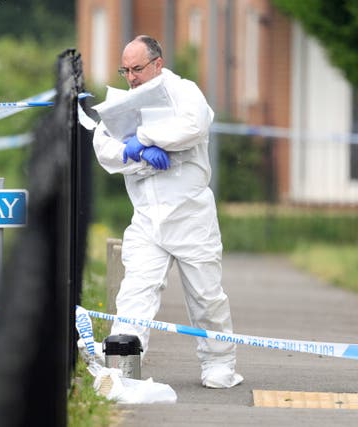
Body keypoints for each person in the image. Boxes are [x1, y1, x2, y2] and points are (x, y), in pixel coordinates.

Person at [92, 35, 243, 388]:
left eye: (137, 68)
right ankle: (123, 362)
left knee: (206, 297)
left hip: (191, 216)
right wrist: (133, 154)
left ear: (157, 64)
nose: (130, 76)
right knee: (136, 290)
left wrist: (143, 140)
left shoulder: (184, 91)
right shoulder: (124, 102)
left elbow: (193, 126)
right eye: (125, 70)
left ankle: (220, 362)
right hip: (147, 215)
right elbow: (104, 147)